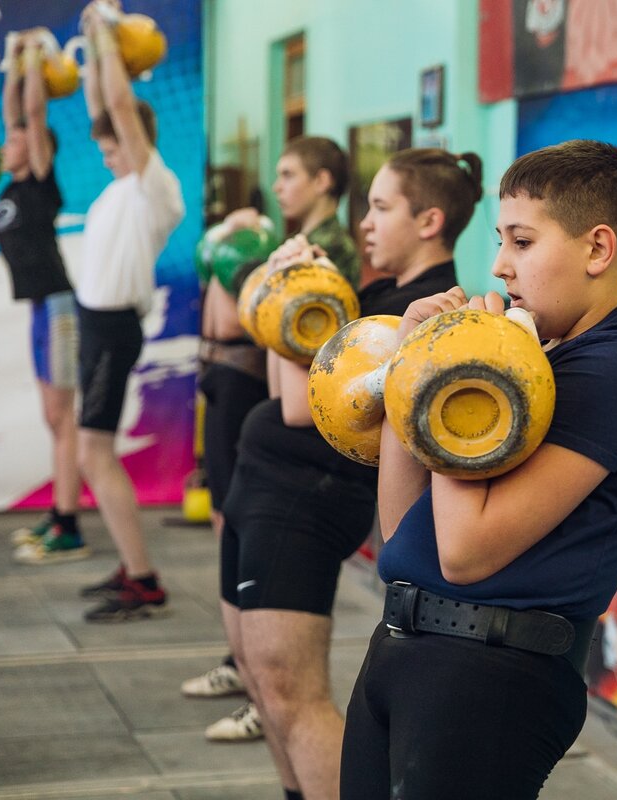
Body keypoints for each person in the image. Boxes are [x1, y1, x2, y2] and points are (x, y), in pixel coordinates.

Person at [340, 139, 617, 800]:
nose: (499, 266)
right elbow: (404, 534)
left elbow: (467, 553)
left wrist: (459, 378)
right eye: (501, 240)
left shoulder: (615, 374)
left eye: (523, 243)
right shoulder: (539, 359)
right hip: (406, 646)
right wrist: (415, 373)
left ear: (597, 249)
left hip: (489, 678)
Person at [221, 147, 483, 800]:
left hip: (304, 502)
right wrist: (286, 291)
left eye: (382, 207)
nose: (366, 222)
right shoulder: (374, 296)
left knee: (290, 692)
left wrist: (296, 302)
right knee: (261, 680)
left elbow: (300, 411)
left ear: (428, 221)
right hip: (265, 488)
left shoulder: (424, 314)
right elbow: (300, 391)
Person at [182, 136, 359, 743]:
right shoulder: (295, 247)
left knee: (239, 531)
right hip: (253, 400)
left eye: (290, 174)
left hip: (282, 422)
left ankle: (258, 681)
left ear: (324, 184)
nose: (278, 184)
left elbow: (259, 330)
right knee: (227, 522)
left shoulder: (331, 253)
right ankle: (247, 669)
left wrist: (246, 260)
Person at [73, 4, 185, 622]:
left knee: (94, 452)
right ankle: (130, 562)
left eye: (114, 147)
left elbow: (117, 105)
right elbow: (103, 103)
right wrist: (93, 36)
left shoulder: (154, 186)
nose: (107, 155)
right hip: (96, 327)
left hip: (113, 330)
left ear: (133, 142)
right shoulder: (120, 187)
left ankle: (144, 579)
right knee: (93, 449)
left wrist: (109, 29)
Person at [0, 31, 83, 562]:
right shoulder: (11, 183)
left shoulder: (40, 184)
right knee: (55, 418)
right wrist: (13, 57)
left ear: (37, 147)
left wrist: (31, 55)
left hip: (58, 306)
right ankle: (57, 515)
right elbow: (15, 110)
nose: (7, 144)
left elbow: (30, 108)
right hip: (39, 308)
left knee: (63, 417)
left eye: (17, 140)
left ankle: (68, 525)